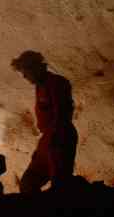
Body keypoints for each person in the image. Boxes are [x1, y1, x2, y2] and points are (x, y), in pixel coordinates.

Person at [11, 50, 78, 193]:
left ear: (35, 68)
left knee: (60, 185)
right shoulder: (39, 87)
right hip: (48, 139)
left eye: (25, 72)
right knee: (28, 183)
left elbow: (62, 115)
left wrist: (54, 142)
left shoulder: (57, 83)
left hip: (60, 138)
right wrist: (42, 146)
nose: (24, 76)